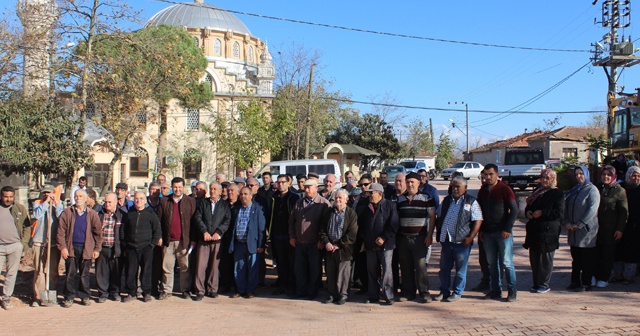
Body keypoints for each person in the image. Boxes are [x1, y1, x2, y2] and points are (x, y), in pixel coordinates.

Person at [435, 176, 483, 302]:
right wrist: (439, 233)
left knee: (460, 270)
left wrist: (471, 237)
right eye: (453, 186)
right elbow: (439, 216)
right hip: (446, 241)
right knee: (444, 268)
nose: (454, 189)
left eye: (458, 186)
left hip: (462, 242)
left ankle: (457, 292)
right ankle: (444, 291)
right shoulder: (446, 201)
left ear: (465, 188)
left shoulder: (471, 201)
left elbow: (478, 220)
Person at [477, 163, 519, 302]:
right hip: (488, 233)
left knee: (507, 263)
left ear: (497, 174)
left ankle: (512, 291)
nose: (488, 177)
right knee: (491, 264)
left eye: (491, 174)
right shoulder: (482, 191)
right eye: (486, 175)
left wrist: (507, 229)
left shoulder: (505, 189)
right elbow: (479, 212)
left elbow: (514, 210)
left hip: (502, 233)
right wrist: (481, 230)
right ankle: (495, 290)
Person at [56, 189, 102, 308]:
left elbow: (98, 233)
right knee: (70, 274)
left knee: (84, 275)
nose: (78, 198)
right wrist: (63, 248)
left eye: (81, 196)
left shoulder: (92, 214)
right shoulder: (67, 213)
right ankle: (69, 297)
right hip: (71, 248)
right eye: (76, 196)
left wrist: (97, 249)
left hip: (86, 249)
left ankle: (85, 296)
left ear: (86, 198)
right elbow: (61, 232)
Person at [396, 172, 436, 303]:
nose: (410, 184)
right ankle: (408, 292)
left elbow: (432, 217)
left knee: (420, 266)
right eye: (407, 182)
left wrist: (429, 236)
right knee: (405, 266)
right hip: (403, 238)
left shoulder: (426, 198)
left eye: (412, 182)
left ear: (419, 183)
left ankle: (424, 292)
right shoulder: (400, 199)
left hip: (420, 238)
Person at [523, 169, 564, 294]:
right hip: (535, 231)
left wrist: (542, 213)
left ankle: (544, 284)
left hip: (548, 232)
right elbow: (529, 206)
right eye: (543, 178)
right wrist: (528, 212)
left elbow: (559, 213)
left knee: (545, 260)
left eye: (548, 178)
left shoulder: (557, 193)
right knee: (534, 258)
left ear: (553, 179)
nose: (545, 181)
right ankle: (536, 283)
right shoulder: (537, 191)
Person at [289, 178, 331, 300]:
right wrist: (292, 236)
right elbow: (291, 221)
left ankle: (312, 293)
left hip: (315, 243)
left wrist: (322, 240)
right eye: (305, 187)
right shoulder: (299, 202)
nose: (306, 189)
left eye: (309, 187)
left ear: (316, 188)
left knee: (314, 270)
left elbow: (327, 224)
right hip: (299, 242)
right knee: (299, 269)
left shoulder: (323, 204)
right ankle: (301, 291)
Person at [157, 177, 197, 300]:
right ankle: (167, 290)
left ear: (183, 187)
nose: (177, 189)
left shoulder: (190, 201)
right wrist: (159, 236)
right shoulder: (164, 201)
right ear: (171, 187)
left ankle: (185, 290)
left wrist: (193, 239)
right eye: (175, 187)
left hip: (184, 241)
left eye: (179, 187)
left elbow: (194, 222)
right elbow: (158, 220)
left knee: (185, 267)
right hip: (168, 241)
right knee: (167, 267)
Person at [359, 183, 398, 305]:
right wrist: (364, 240)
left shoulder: (390, 206)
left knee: (387, 271)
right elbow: (362, 225)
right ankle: (373, 295)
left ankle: (388, 296)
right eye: (369, 193)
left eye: (372, 193)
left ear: (379, 194)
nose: (369, 195)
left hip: (386, 245)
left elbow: (394, 225)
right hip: (370, 245)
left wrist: (383, 237)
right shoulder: (366, 207)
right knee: (372, 271)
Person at [319, 189, 358, 305]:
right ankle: (332, 294)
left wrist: (339, 244)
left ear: (346, 200)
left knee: (343, 274)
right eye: (336, 198)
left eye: (340, 198)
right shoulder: (329, 212)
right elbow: (322, 230)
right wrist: (327, 242)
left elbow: (352, 233)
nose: (338, 200)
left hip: (344, 249)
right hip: (330, 247)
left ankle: (343, 295)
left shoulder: (351, 214)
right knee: (330, 272)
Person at [565, 166, 600, 292]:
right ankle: (575, 282)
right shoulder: (574, 190)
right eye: (576, 174)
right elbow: (567, 207)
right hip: (573, 231)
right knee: (576, 259)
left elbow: (592, 209)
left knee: (587, 260)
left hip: (586, 231)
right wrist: (567, 222)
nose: (579, 176)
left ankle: (586, 283)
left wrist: (580, 224)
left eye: (581, 174)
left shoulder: (592, 190)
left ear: (586, 174)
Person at [193, 182, 231, 301]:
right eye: (211, 189)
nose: (212, 191)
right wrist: (204, 231)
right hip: (204, 240)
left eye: (215, 189)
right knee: (201, 266)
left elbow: (227, 220)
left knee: (214, 267)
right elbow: (197, 218)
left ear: (220, 191)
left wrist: (219, 232)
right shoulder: (203, 203)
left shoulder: (225, 205)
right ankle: (200, 290)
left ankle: (212, 289)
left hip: (217, 241)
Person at [121, 192, 161, 303]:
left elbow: (157, 231)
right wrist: (125, 244)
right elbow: (123, 230)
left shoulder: (150, 214)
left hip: (146, 247)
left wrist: (152, 245)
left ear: (145, 200)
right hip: (131, 248)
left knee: (146, 271)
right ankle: (131, 292)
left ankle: (146, 292)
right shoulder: (129, 214)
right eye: (136, 198)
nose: (139, 201)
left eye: (141, 198)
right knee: (131, 271)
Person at [594, 165, 628, 288]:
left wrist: (620, 229)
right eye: (604, 174)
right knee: (595, 253)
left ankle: (604, 277)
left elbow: (623, 212)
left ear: (613, 176)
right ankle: (594, 275)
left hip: (611, 228)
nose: (606, 177)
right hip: (596, 228)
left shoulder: (620, 191)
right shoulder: (596, 187)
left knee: (607, 254)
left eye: (609, 175)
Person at [229, 187, 266, 298]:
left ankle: (251, 290)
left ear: (251, 196)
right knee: (238, 268)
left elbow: (261, 228)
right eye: (241, 194)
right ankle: (240, 290)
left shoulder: (257, 209)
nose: (243, 196)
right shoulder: (236, 209)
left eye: (245, 194)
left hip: (252, 244)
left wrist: (261, 245)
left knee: (252, 269)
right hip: (239, 244)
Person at [31, 185, 64, 307]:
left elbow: (62, 218)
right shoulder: (38, 203)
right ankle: (38, 296)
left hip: (53, 242)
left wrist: (55, 204)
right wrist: (45, 203)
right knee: (39, 271)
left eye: (49, 193)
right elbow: (36, 215)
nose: (47, 195)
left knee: (53, 271)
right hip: (39, 241)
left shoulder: (59, 203)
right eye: (44, 193)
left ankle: (52, 293)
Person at [0, 186, 31, 310]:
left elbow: (27, 226)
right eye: (6, 196)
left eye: (11, 197)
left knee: (11, 273)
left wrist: (23, 243)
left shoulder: (20, 208)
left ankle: (6, 297)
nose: (8, 199)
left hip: (15, 246)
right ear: (1, 196)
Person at [269, 174, 300, 296]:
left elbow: (296, 218)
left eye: (283, 182)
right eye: (279, 182)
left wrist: (294, 235)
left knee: (291, 263)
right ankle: (282, 285)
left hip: (290, 236)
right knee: (280, 262)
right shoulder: (273, 198)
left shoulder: (294, 198)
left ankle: (291, 287)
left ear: (289, 183)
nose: (281, 184)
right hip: (277, 235)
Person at [95, 193, 124, 303]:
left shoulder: (121, 215)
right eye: (106, 202)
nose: (107, 204)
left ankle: (115, 292)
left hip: (115, 248)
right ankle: (103, 293)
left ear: (115, 203)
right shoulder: (99, 215)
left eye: (110, 202)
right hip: (102, 247)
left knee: (115, 271)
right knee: (102, 272)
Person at [614, 166, 640, 284]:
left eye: (638, 176)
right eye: (634, 175)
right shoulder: (622, 188)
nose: (636, 178)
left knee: (631, 251)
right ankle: (618, 275)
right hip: (620, 224)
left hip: (635, 226)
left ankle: (628, 276)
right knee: (619, 249)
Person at [471, 171, 491, 292]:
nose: (484, 180)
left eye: (486, 177)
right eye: (482, 178)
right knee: (483, 259)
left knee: (494, 260)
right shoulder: (482, 191)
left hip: (495, 231)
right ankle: (485, 282)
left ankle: (495, 285)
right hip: (483, 230)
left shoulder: (502, 189)